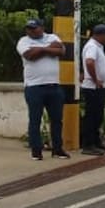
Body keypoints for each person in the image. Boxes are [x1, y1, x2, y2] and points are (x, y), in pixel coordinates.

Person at [17, 18, 70, 160]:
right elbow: (29, 56)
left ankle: (57, 149)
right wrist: (48, 49)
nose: (31, 31)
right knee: (35, 120)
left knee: (57, 120)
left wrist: (40, 49)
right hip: (34, 87)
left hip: (54, 86)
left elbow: (61, 51)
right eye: (29, 28)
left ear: (42, 28)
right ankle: (36, 150)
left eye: (34, 28)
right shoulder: (23, 41)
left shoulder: (52, 37)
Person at [79, 24, 105, 156]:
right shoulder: (92, 46)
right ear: (100, 35)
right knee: (92, 117)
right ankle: (88, 145)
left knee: (98, 116)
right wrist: (95, 79)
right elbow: (89, 62)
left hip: (98, 87)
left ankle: (96, 141)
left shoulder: (97, 46)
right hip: (93, 87)